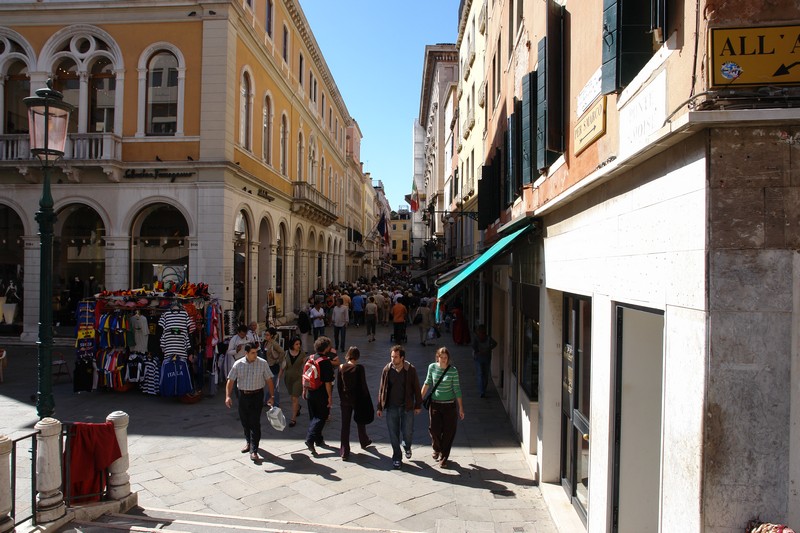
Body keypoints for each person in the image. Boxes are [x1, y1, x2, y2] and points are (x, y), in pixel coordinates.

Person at [224, 343, 275, 463]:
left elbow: (269, 380)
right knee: (245, 421)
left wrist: (272, 396)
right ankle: (248, 442)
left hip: (257, 395)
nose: (255, 355)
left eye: (256, 352)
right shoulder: (238, 364)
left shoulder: (262, 363)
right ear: (246, 353)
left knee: (255, 422)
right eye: (252, 353)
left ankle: (254, 450)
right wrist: (227, 396)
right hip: (243, 396)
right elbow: (230, 381)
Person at [376, 345, 422, 469]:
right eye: (392, 356)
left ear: (402, 358)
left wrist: (418, 404)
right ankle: (397, 457)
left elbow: (416, 387)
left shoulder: (410, 369)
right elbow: (382, 388)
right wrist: (380, 406)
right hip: (392, 407)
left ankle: (407, 446)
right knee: (393, 434)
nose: (393, 359)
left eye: (395, 357)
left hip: (407, 407)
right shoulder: (387, 369)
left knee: (408, 433)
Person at [420, 347, 464, 468]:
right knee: (434, 430)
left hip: (450, 405)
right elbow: (427, 383)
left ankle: (444, 457)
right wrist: (419, 400)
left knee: (449, 432)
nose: (444, 360)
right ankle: (437, 448)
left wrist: (461, 407)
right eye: (441, 357)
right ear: (437, 357)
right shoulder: (432, 367)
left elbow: (457, 389)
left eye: (446, 358)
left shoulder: (453, 371)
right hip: (435, 404)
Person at [336, 347, 373, 459]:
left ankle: (344, 451)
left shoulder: (341, 367)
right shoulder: (359, 368)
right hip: (358, 399)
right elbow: (363, 385)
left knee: (345, 425)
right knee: (360, 421)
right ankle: (364, 440)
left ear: (348, 355)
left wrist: (342, 398)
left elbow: (339, 385)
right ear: (357, 356)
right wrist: (367, 399)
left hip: (345, 400)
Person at [304, 336, 336, 454]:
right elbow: (327, 382)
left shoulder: (310, 358)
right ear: (326, 348)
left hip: (310, 391)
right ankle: (310, 439)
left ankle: (318, 439)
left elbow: (306, 375)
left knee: (313, 417)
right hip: (321, 393)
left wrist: (304, 390)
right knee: (322, 416)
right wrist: (330, 396)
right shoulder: (325, 361)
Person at [283, 337, 305, 427]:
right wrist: (278, 377)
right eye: (296, 344)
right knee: (292, 398)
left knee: (295, 398)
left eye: (299, 344)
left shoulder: (302, 354)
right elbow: (283, 366)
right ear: (292, 345)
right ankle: (298, 407)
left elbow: (305, 366)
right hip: (288, 378)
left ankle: (293, 419)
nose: (298, 346)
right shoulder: (286, 353)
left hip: (298, 378)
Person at [471, 324, 498, 398]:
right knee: (482, 374)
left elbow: (495, 343)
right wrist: (485, 350)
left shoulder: (486, 338)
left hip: (484, 357)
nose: (480, 333)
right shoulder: (478, 338)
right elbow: (473, 346)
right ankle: (482, 390)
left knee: (483, 374)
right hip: (482, 357)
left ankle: (483, 389)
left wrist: (485, 350)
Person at [262, 327, 286, 407]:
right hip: (267, 366)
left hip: (273, 366)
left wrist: (278, 360)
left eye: (267, 335)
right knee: (269, 384)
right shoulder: (265, 342)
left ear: (271, 335)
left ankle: (276, 403)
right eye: (265, 335)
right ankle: (267, 400)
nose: (266, 336)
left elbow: (282, 352)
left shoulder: (274, 344)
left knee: (274, 385)